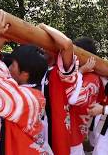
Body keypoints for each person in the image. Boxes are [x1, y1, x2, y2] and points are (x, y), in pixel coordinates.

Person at [0, 8, 52, 154]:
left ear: (24, 74)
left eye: (13, 64)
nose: (9, 67)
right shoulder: (22, 90)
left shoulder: (30, 99)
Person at [39, 24, 79, 155]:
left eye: (46, 46)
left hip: (58, 126)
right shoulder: (43, 70)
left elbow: (67, 44)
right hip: (44, 124)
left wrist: (43, 26)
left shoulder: (62, 72)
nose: (42, 49)